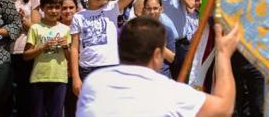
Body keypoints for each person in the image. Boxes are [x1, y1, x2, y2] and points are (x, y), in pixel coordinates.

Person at [77, 17, 240, 117]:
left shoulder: (94, 82)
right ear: (157, 55)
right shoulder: (169, 92)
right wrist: (223, 54)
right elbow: (224, 109)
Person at [69, 0, 136, 96]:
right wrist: (75, 77)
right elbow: (74, 48)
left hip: (110, 66)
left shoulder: (111, 8)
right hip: (87, 68)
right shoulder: (78, 16)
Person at [140, 0, 195, 80]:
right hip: (159, 43)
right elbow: (138, 11)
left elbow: (191, 3)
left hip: (180, 45)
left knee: (182, 83)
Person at [0, 0, 41, 117]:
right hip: (2, 54)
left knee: (25, 99)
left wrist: (23, 20)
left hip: (24, 54)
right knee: (5, 99)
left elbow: (37, 29)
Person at [23, 0, 71, 117]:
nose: (54, 11)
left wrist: (65, 46)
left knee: (56, 113)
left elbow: (70, 57)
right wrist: (42, 47)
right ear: (42, 8)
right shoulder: (35, 28)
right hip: (39, 78)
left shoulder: (66, 29)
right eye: (50, 7)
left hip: (59, 78)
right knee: (37, 113)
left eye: (57, 7)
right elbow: (26, 55)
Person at [141, 0, 177, 77]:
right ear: (144, 10)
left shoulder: (167, 30)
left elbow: (172, 58)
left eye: (155, 8)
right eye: (148, 8)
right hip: (143, 76)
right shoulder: (138, 30)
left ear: (161, 9)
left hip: (162, 75)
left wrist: (157, 43)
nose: (152, 12)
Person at [59, 0, 78, 117]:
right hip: (58, 76)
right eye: (64, 8)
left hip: (76, 76)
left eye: (71, 7)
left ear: (77, 8)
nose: (68, 11)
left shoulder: (82, 27)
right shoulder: (54, 27)